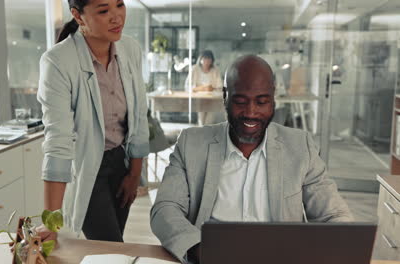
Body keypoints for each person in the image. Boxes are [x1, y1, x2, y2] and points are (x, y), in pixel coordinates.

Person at [150, 55, 353, 264]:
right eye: (240, 101)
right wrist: (200, 250)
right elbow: (165, 208)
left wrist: (335, 246)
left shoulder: (301, 147)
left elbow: (333, 215)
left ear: (273, 99)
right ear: (225, 97)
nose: (251, 112)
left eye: (262, 101)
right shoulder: (191, 144)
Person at [36, 0, 149, 243]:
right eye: (103, 10)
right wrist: (50, 224)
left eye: (119, 5)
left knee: (115, 244)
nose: (117, 17)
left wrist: (134, 174)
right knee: (110, 246)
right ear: (78, 16)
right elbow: (58, 141)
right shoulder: (57, 61)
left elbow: (139, 114)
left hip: (122, 162)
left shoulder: (130, 49)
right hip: (87, 167)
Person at [185, 50, 224, 125]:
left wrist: (212, 88)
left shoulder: (215, 70)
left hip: (212, 100)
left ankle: (207, 134)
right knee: (201, 120)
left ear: (212, 61)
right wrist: (199, 88)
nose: (207, 61)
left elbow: (220, 87)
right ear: (200, 59)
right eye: (205, 59)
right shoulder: (194, 69)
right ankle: (201, 133)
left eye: (209, 59)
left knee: (210, 121)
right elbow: (187, 86)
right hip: (199, 99)